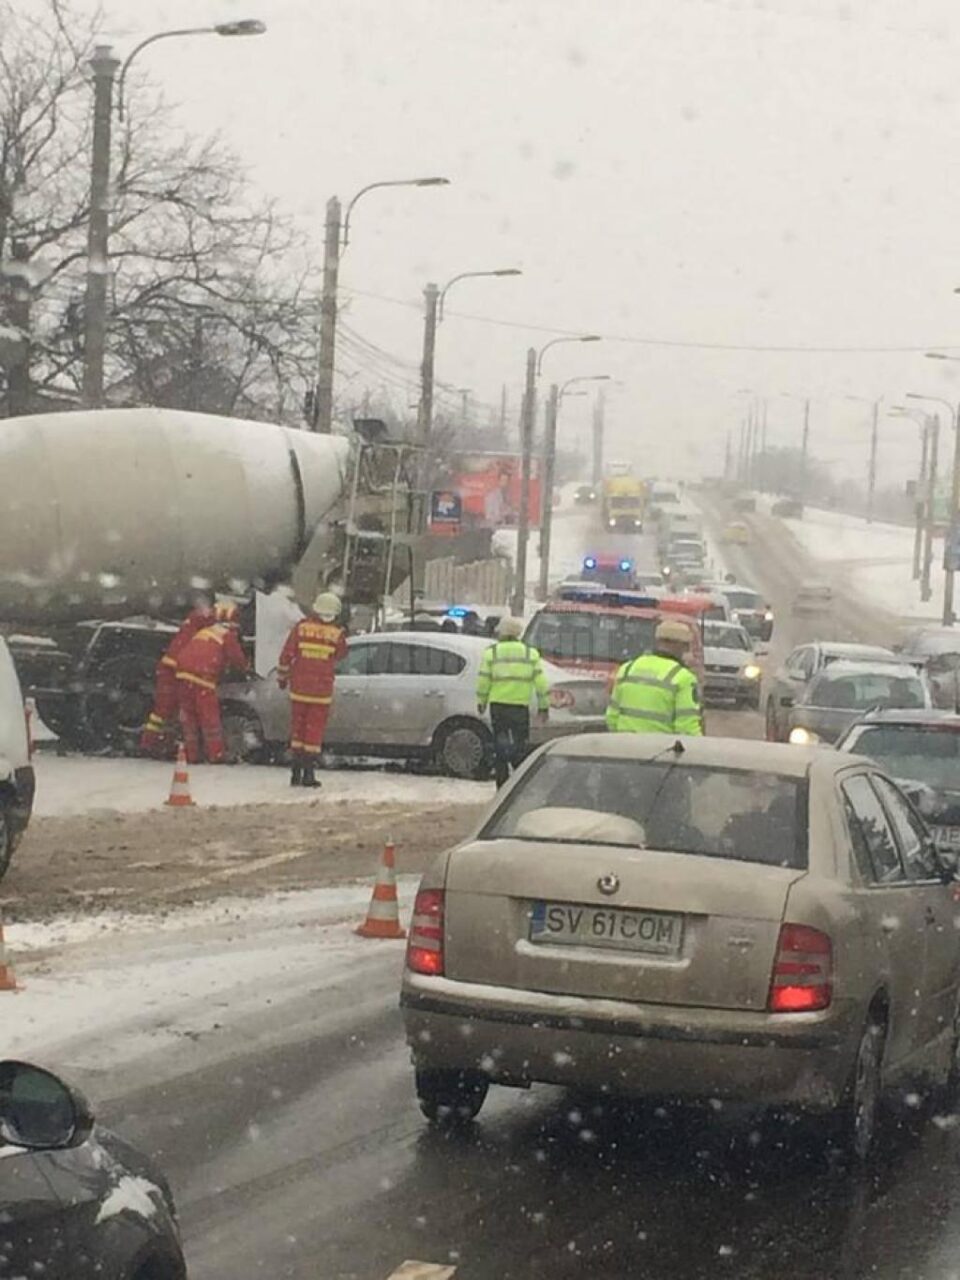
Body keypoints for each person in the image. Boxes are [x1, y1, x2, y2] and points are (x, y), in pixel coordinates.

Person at [277, 592, 348, 788]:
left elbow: (285, 657)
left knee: (297, 731)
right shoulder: (336, 633)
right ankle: (309, 774)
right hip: (321, 692)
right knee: (313, 734)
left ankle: (295, 773)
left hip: (299, 689)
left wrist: (282, 679)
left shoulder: (300, 628)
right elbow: (342, 654)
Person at [476, 616, 549, 788]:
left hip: (498, 706)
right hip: (519, 707)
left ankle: (502, 784)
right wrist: (543, 706)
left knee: (499, 746)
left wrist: (482, 701)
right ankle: (521, 781)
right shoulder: (530, 654)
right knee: (520, 746)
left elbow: (484, 680)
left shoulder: (491, 653)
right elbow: (541, 683)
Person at [175, 602, 250, 764]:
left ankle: (192, 754)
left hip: (182, 673)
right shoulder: (227, 635)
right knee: (210, 719)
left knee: (189, 716)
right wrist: (247, 669)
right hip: (203, 675)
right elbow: (237, 659)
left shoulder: (205, 631)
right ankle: (216, 754)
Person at [139, 601, 214, 757]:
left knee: (169, 710)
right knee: (165, 710)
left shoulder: (193, 622)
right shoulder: (203, 625)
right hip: (172, 670)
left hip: (173, 669)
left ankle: (158, 744)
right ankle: (149, 744)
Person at [606, 617, 704, 735]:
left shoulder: (627, 669)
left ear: (658, 641)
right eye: (686, 646)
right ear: (681, 646)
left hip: (625, 747)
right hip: (661, 749)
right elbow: (686, 728)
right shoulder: (683, 678)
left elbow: (611, 718)